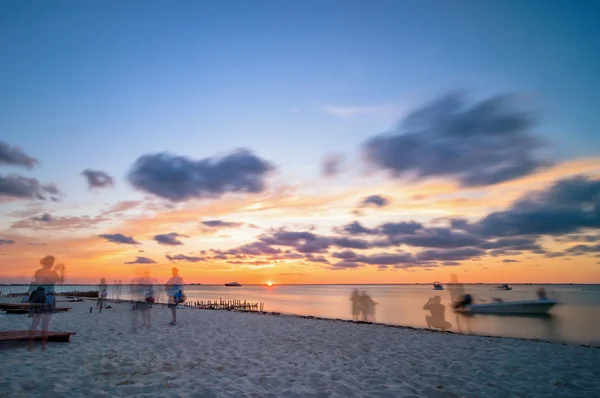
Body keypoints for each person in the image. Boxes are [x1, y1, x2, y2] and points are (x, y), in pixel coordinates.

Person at [28, 255, 65, 350]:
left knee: (45, 322)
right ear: (44, 262)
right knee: (36, 322)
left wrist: (62, 271)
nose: (50, 264)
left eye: (51, 262)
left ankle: (43, 345)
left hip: (48, 297)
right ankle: (31, 344)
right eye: (49, 262)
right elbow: (39, 283)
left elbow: (60, 281)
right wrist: (53, 273)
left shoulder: (51, 272)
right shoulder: (39, 272)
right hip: (41, 297)